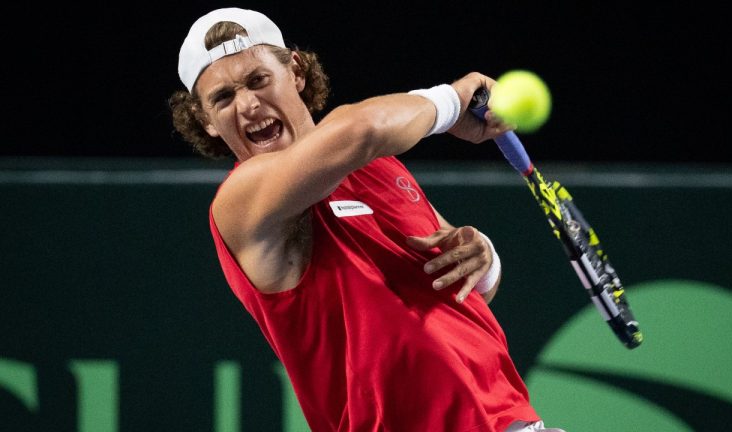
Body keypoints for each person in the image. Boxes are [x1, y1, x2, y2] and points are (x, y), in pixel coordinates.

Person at [170, 7, 563, 432]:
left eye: (258, 80)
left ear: (296, 72)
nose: (247, 105)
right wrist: (453, 99)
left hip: (508, 418)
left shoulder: (380, 165)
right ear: (206, 121)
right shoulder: (240, 202)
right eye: (223, 98)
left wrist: (483, 258)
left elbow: (461, 281)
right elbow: (361, 129)